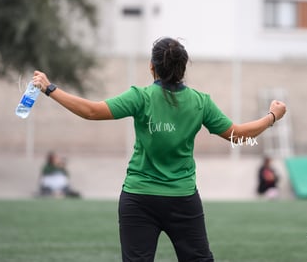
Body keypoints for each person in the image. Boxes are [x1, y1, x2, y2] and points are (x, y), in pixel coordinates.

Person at [32, 37, 286, 261]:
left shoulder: (140, 97)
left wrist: (50, 88)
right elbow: (238, 136)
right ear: (183, 68)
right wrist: (272, 116)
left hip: (138, 198)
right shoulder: (200, 102)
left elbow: (91, 111)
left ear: (152, 67)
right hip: (183, 199)